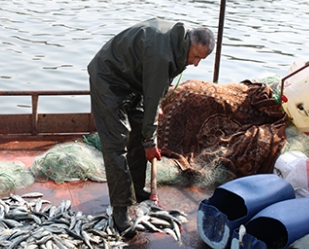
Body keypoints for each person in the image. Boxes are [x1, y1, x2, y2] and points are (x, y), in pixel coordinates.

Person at [87, 18, 215, 237]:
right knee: (117, 143)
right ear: (189, 45)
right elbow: (155, 82)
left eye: (200, 60)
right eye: (196, 57)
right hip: (108, 79)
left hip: (132, 80)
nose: (195, 64)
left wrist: (152, 113)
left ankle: (136, 189)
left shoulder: (177, 44)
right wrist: (150, 142)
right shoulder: (162, 55)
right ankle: (120, 210)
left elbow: (156, 89)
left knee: (139, 129)